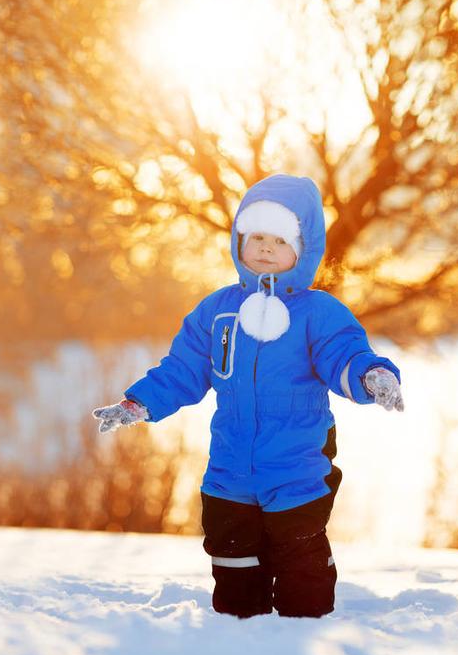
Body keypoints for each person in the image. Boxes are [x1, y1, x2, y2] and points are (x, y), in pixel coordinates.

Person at [93, 174, 404, 619]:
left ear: (303, 249)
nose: (265, 248)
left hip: (296, 467)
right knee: (233, 564)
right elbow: (183, 369)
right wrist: (139, 403)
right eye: (256, 236)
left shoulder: (318, 312)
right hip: (230, 468)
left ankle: (304, 631)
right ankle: (238, 640)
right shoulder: (217, 310)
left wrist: (371, 377)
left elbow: (344, 354)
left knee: (301, 565)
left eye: (279, 240)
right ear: (240, 239)